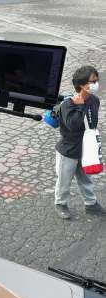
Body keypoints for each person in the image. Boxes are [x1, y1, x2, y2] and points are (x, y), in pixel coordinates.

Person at [55, 65, 105, 219]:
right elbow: (73, 125)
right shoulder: (68, 104)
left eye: (96, 80)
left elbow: (92, 122)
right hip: (69, 149)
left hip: (86, 149)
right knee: (64, 180)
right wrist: (80, 106)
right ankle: (61, 204)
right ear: (82, 84)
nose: (96, 84)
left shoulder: (94, 100)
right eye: (92, 81)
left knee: (86, 178)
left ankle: (91, 204)